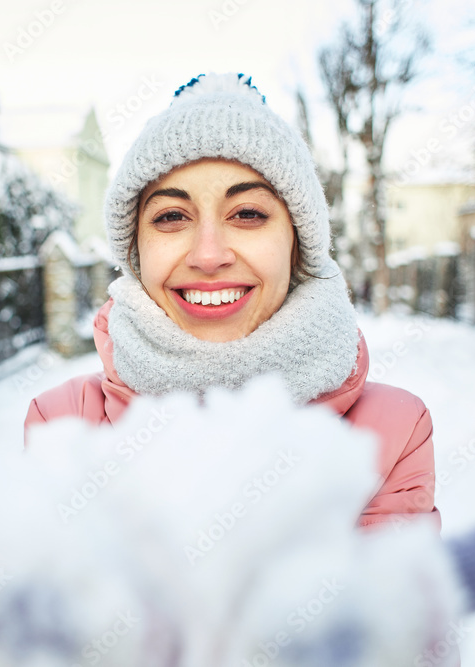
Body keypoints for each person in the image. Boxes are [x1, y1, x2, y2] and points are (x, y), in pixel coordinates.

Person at [24, 72, 439, 531]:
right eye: (172, 216)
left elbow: (374, 597)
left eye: (247, 214)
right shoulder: (62, 423)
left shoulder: (393, 432)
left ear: (297, 243)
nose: (208, 255)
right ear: (136, 252)